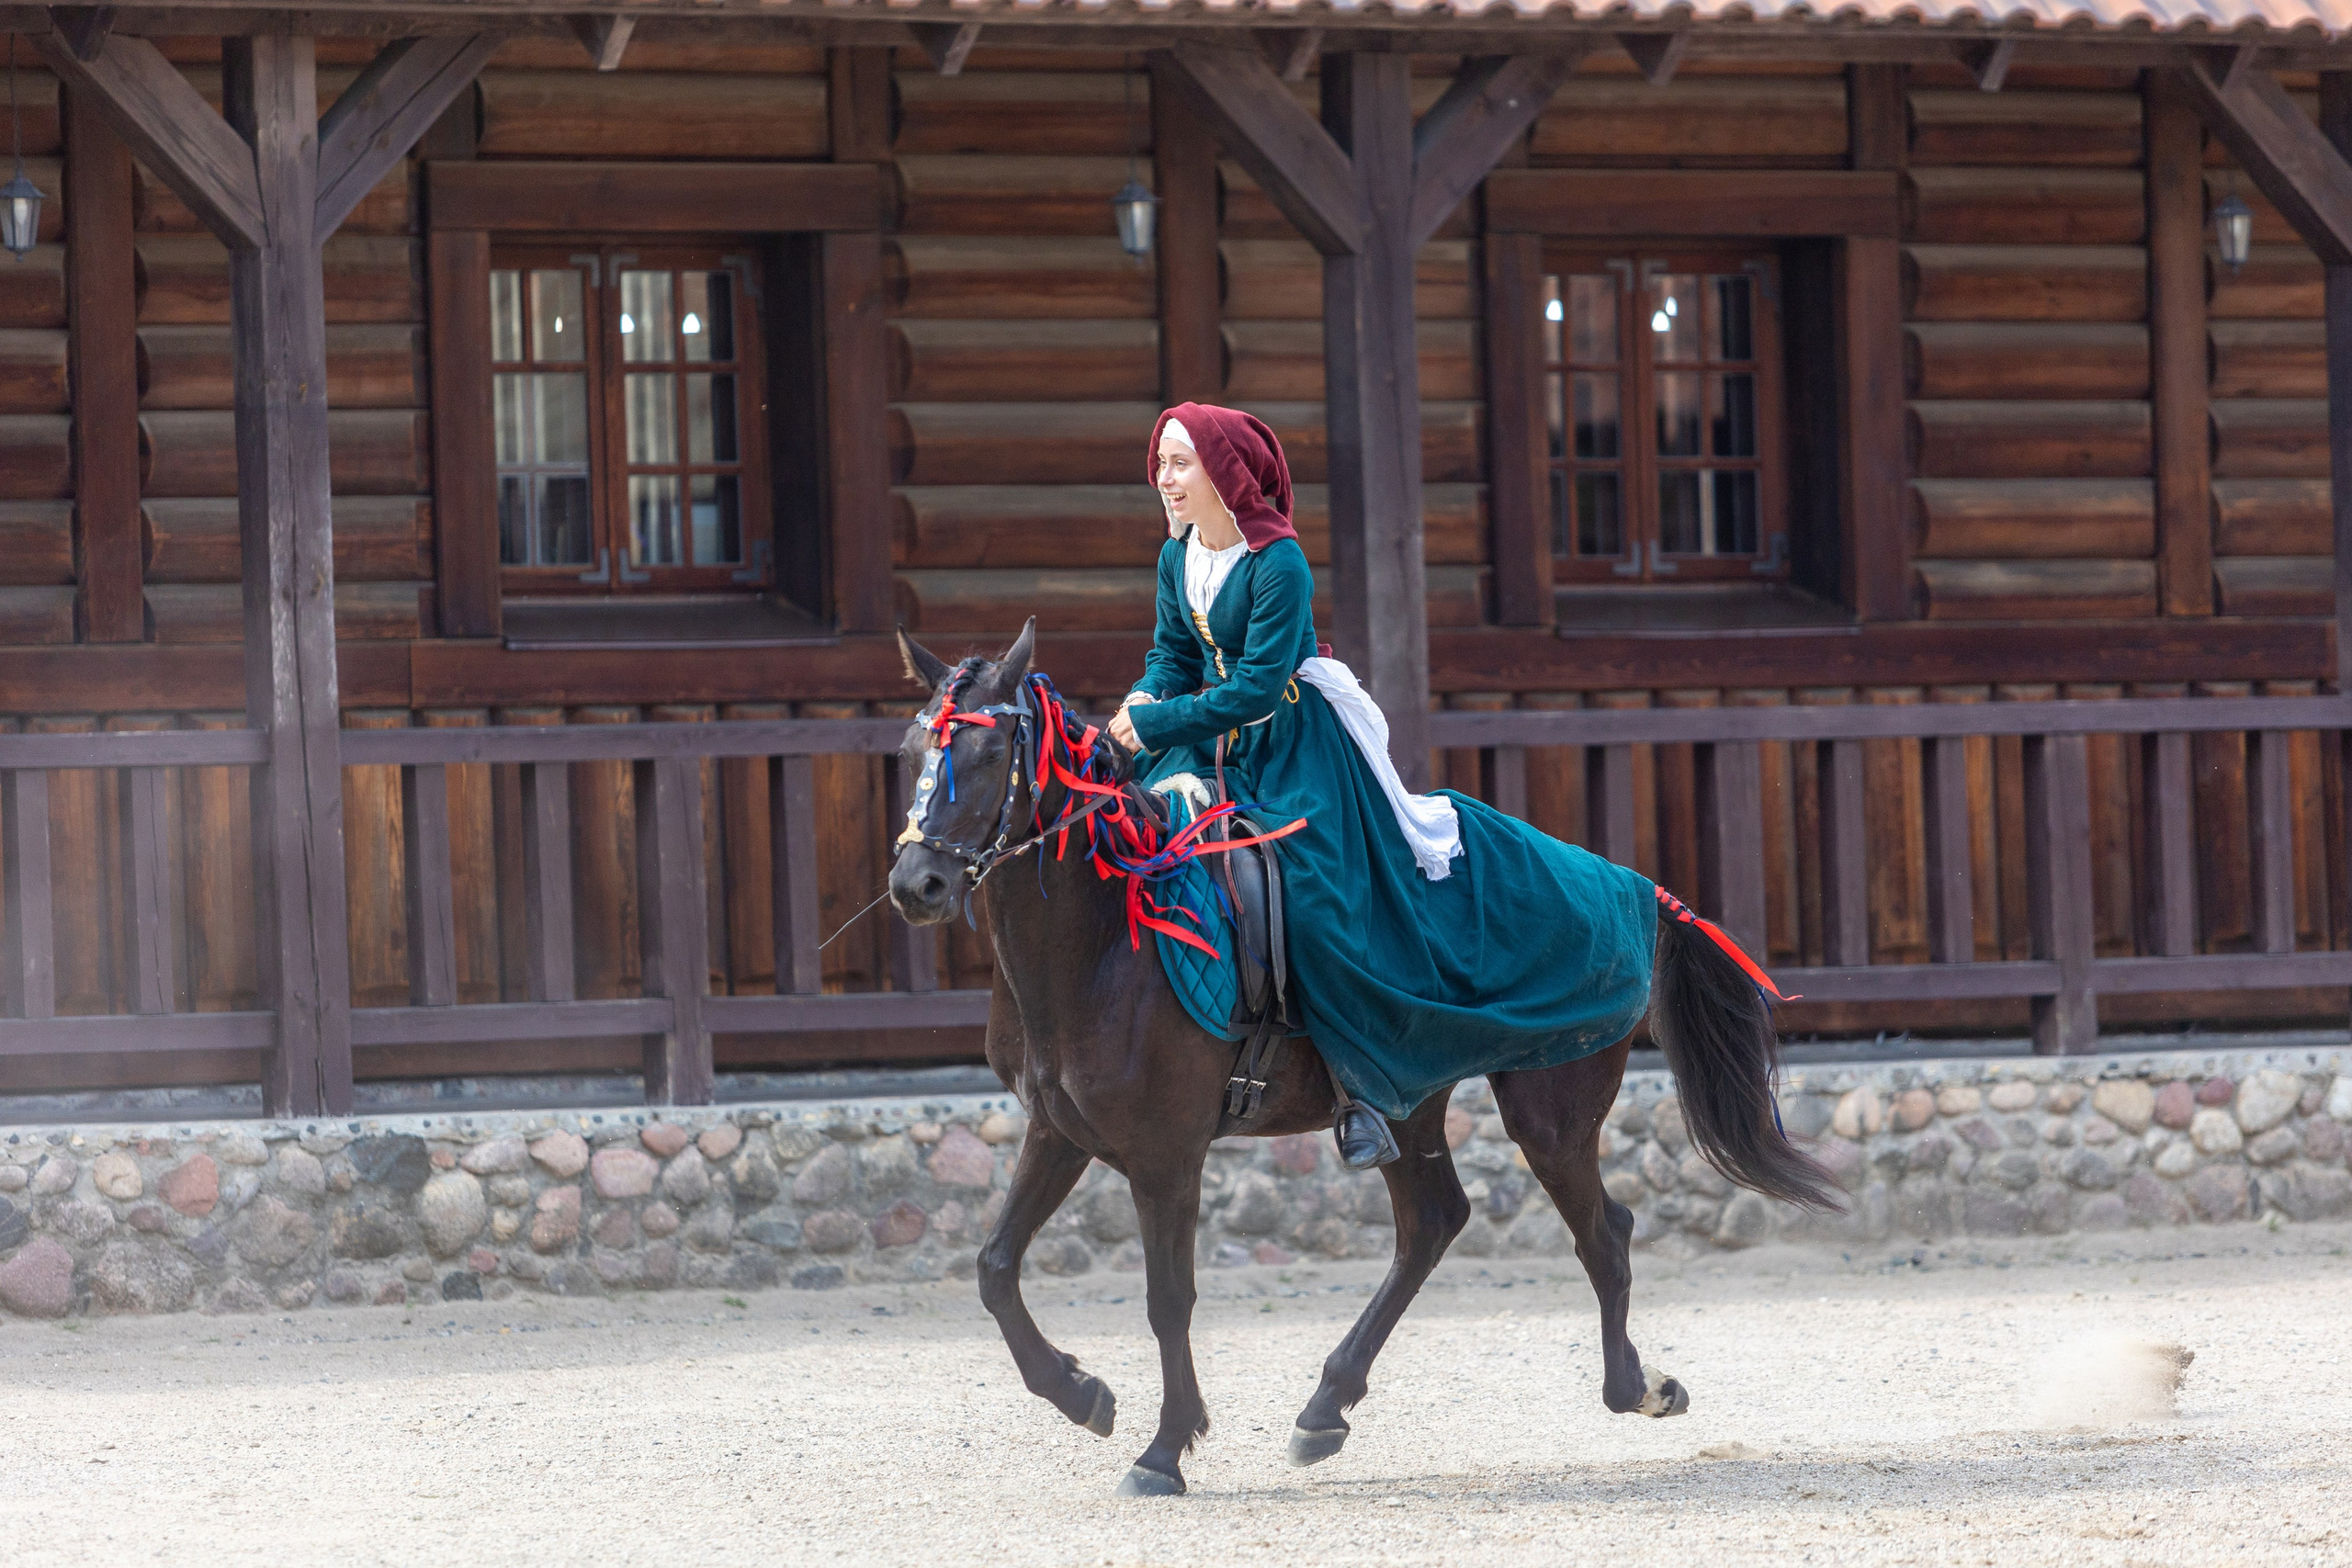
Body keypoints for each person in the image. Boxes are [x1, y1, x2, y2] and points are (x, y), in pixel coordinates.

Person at [1108, 403, 1659, 1170]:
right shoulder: (1178, 557)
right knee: (1125, 837)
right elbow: (1173, 653)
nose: (1163, 479)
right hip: (1203, 739)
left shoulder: (1279, 564)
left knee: (1315, 898)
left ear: (1224, 473)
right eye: (1160, 463)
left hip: (1294, 744)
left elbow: (1259, 689)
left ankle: (1361, 1084)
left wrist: (1162, 720)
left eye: (1179, 463)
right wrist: (1142, 700)